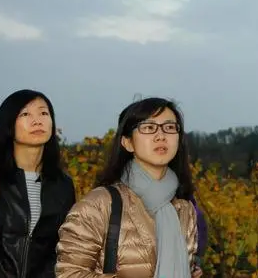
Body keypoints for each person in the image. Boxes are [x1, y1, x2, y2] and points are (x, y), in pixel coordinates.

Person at [55, 97, 202, 278]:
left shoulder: (184, 209)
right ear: (127, 142)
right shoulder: (99, 204)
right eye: (148, 128)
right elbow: (68, 273)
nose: (161, 135)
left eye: (170, 127)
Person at [0, 89, 76, 277]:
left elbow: (63, 246)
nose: (37, 120)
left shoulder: (63, 184)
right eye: (25, 114)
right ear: (9, 124)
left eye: (44, 113)